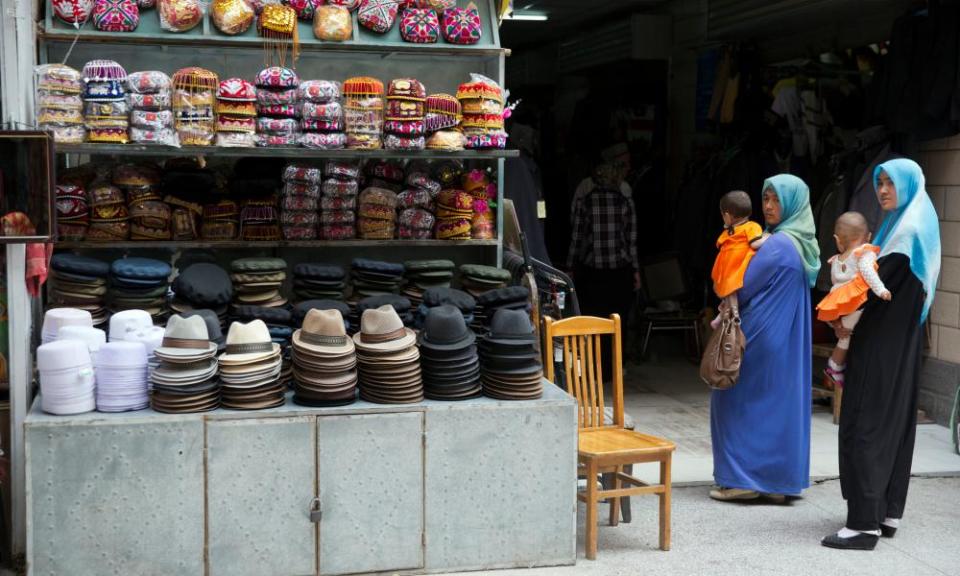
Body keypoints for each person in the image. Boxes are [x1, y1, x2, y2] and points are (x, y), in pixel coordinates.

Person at [823, 158, 941, 551]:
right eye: (881, 183)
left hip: (878, 345)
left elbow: (869, 291)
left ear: (908, 184)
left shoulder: (904, 234)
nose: (884, 190)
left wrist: (842, 322)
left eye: (891, 183)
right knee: (892, 424)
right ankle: (886, 513)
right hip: (899, 346)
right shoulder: (915, 223)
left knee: (865, 424)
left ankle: (862, 524)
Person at [710, 174, 820, 503]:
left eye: (776, 200)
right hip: (785, 339)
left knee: (732, 401)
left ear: (792, 204)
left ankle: (742, 479)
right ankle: (776, 483)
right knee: (777, 407)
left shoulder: (777, 245)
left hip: (756, 337)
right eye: (766, 199)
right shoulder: (803, 244)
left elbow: (740, 286)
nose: (769, 206)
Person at [566, 143, 641, 324]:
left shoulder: (586, 201)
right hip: (620, 272)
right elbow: (631, 242)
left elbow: (576, 239)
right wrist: (636, 271)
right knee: (617, 323)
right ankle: (617, 352)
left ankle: (596, 353)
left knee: (594, 322)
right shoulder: (625, 201)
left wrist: (569, 267)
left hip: (593, 273)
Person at [815, 212, 891, 387]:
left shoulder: (836, 260)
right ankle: (834, 366)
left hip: (837, 305)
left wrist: (836, 321)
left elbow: (835, 283)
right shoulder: (864, 253)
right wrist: (881, 290)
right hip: (855, 305)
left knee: (843, 335)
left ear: (837, 240)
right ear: (869, 236)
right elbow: (868, 271)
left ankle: (835, 364)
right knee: (846, 338)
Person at [710, 190, 768, 330]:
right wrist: (767, 237)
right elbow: (755, 243)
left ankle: (723, 318)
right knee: (731, 296)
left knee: (729, 296)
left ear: (728, 216)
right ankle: (725, 317)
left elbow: (721, 243)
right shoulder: (752, 227)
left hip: (727, 267)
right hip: (734, 266)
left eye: (723, 215)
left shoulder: (732, 230)